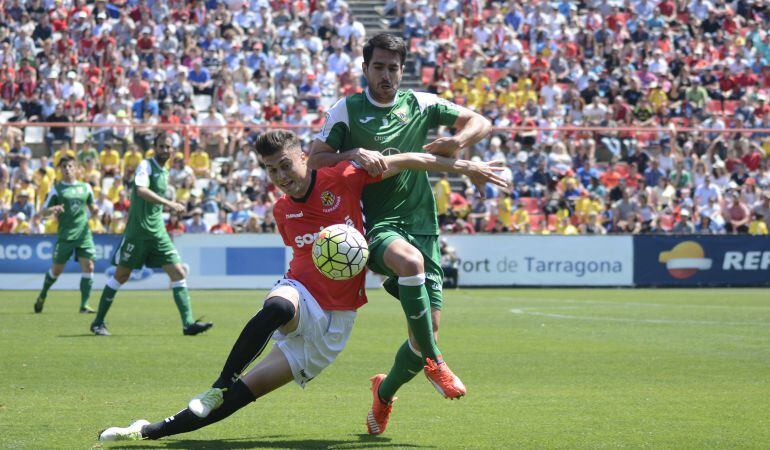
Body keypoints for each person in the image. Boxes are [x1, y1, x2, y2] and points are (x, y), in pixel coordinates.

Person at [97, 130, 505, 442]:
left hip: (332, 328)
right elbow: (302, 258)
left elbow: (408, 159)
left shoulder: (342, 177)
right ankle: (205, 393)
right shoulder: (280, 208)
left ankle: (151, 429)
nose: (279, 177)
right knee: (277, 309)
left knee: (245, 395)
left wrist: (464, 168)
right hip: (300, 291)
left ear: (304, 158)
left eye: (285, 166)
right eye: (271, 171)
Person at [307, 33, 491, 434]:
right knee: (409, 265)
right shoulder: (348, 110)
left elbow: (481, 121)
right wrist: (351, 154)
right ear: (364, 69)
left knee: (421, 336)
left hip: (424, 226)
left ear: (402, 70)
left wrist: (457, 141)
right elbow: (314, 159)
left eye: (393, 68)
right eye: (378, 67)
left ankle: (384, 393)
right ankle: (437, 363)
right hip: (376, 228)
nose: (386, 75)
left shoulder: (420, 104)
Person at [89, 134, 212, 336]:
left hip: (158, 233)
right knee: (121, 276)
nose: (165, 150)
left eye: (168, 147)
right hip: (138, 233)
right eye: (161, 146)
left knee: (178, 273)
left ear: (173, 151)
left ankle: (188, 324)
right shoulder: (145, 166)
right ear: (155, 148)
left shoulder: (164, 171)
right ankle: (98, 322)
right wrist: (169, 203)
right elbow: (141, 191)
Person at [34, 155, 100, 314]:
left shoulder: (86, 187)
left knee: (89, 266)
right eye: (64, 167)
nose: (67, 169)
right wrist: (52, 210)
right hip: (65, 236)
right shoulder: (57, 189)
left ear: (77, 169)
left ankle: (84, 305)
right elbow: (42, 212)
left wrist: (97, 211)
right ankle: (42, 295)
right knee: (56, 271)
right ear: (60, 170)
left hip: (84, 234)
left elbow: (93, 209)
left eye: (70, 166)